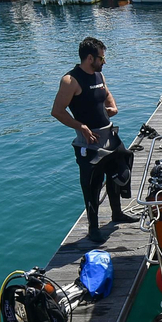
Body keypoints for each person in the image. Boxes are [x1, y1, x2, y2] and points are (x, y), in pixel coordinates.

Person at [52, 36, 132, 237]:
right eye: (102, 59)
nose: (104, 62)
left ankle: (117, 213)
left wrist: (112, 106)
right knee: (92, 185)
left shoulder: (99, 75)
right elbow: (58, 111)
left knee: (120, 174)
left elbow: (106, 93)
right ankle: (93, 228)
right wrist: (81, 127)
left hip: (109, 136)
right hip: (89, 142)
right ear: (90, 58)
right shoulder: (70, 81)